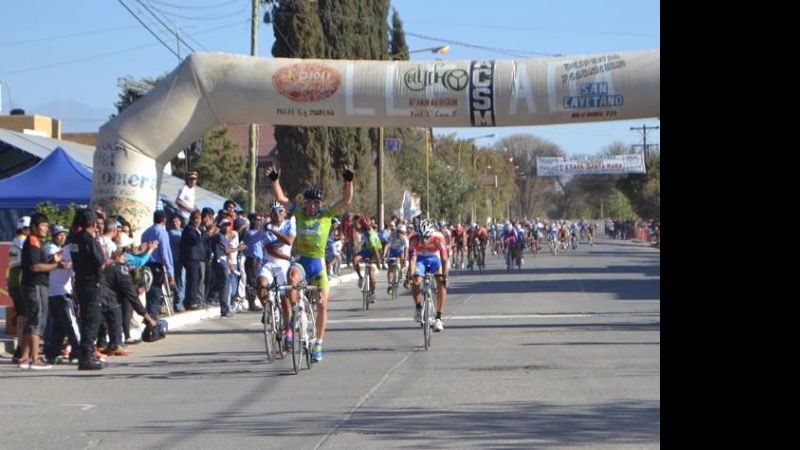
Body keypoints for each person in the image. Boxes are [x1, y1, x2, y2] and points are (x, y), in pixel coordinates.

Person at [269, 164, 354, 363]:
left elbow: (346, 200)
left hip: (318, 265)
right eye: (309, 203)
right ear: (305, 204)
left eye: (316, 203)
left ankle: (318, 344)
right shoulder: (298, 212)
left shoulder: (326, 215)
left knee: (323, 305)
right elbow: (281, 199)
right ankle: (294, 314)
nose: (312, 206)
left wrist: (349, 181)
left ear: (320, 204)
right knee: (292, 277)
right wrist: (275, 181)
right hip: (302, 261)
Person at [18, 213, 70, 370]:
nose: (46, 229)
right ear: (34, 227)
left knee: (31, 322)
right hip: (35, 285)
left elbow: (39, 264)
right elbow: (35, 267)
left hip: (33, 285)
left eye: (47, 226)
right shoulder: (33, 242)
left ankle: (24, 358)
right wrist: (57, 266)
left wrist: (52, 261)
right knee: (37, 321)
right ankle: (35, 359)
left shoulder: (37, 243)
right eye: (43, 226)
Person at [69, 209, 108, 370]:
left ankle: (86, 354)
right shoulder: (90, 241)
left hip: (80, 282)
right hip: (92, 283)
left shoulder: (74, 239)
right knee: (92, 320)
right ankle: (87, 356)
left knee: (85, 318)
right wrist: (106, 257)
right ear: (92, 224)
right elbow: (100, 263)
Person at [256, 201, 296, 345]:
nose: (276, 214)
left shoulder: (290, 223)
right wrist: (280, 241)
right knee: (260, 285)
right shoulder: (264, 227)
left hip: (284, 265)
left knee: (285, 299)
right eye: (273, 211)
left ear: (284, 213)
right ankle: (268, 309)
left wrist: (273, 232)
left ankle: (288, 331)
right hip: (268, 263)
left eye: (280, 211)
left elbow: (289, 241)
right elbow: (270, 249)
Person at [43, 225, 81, 365]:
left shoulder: (68, 251)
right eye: (59, 234)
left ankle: (52, 353)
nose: (62, 236)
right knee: (71, 323)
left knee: (59, 326)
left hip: (60, 292)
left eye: (64, 234)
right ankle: (78, 351)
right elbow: (59, 263)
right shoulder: (52, 248)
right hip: (59, 293)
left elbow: (72, 277)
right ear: (53, 236)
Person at [406, 219, 449, 332]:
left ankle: (438, 317)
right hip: (420, 258)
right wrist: (410, 275)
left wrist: (445, 277)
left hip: (435, 258)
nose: (424, 240)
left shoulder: (439, 238)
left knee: (441, 282)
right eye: (422, 237)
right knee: (416, 280)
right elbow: (412, 259)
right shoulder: (414, 239)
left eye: (427, 237)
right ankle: (419, 307)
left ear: (431, 234)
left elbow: (444, 259)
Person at [140, 210, 175, 320]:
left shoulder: (145, 232)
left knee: (149, 295)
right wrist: (171, 274)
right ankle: (152, 322)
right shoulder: (162, 232)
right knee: (155, 296)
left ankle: (149, 319)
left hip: (145, 266)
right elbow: (165, 254)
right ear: (164, 219)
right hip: (156, 268)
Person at [8, 216, 31, 364]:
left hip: (14, 283)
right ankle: (21, 351)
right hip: (21, 282)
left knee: (22, 317)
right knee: (26, 317)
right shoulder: (24, 242)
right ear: (24, 229)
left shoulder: (15, 241)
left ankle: (19, 350)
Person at [352, 217, 384, 304]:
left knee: (372, 275)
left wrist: (378, 261)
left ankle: (372, 293)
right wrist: (356, 220)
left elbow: (375, 250)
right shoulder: (363, 229)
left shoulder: (371, 235)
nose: (365, 228)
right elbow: (356, 227)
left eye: (367, 227)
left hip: (375, 252)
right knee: (355, 259)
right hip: (366, 250)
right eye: (364, 227)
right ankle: (360, 278)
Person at [383, 224, 409, 296]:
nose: (399, 234)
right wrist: (384, 255)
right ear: (396, 231)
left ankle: (402, 272)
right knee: (390, 269)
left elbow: (406, 249)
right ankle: (390, 285)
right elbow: (387, 246)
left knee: (403, 260)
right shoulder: (391, 236)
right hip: (392, 251)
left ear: (404, 233)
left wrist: (405, 258)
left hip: (400, 251)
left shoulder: (405, 239)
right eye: (398, 232)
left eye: (401, 233)